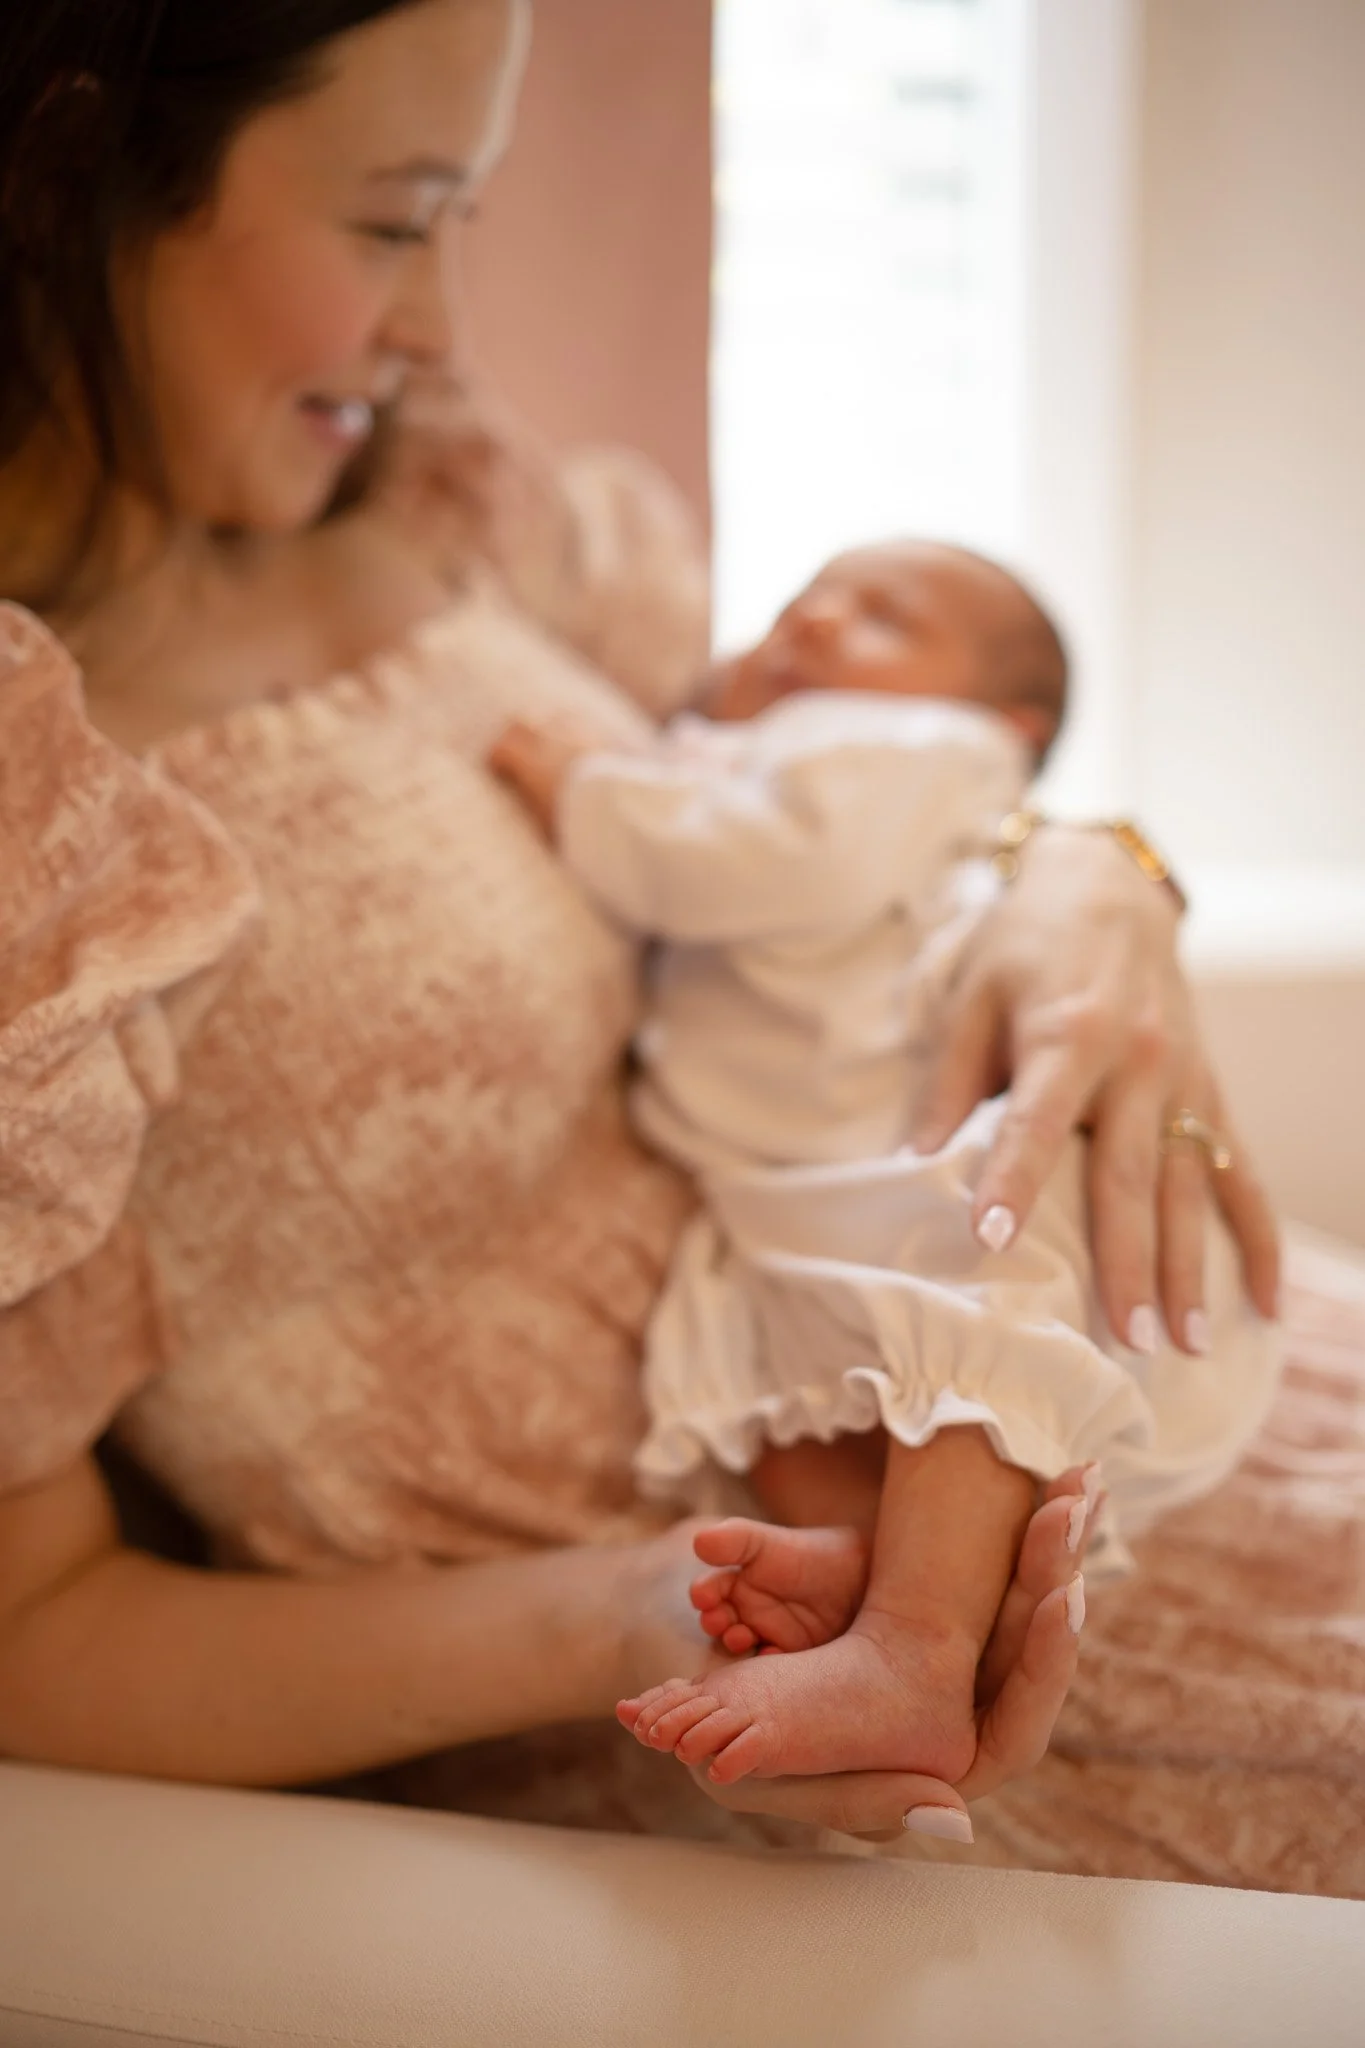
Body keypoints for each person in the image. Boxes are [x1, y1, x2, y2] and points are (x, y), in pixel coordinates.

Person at [0, 0, 1281, 1855]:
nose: (441, 325)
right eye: (392, 219)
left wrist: (1097, 873)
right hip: (806, 1671)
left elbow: (814, 798)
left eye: (467, 219)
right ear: (68, 167)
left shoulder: (446, 508)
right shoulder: (34, 802)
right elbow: (31, 1635)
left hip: (1083, 1413)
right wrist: (650, 1612)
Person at [491, 539, 1279, 1787]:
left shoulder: (908, 748)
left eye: (882, 617)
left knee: (969, 1290)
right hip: (798, 1176)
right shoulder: (772, 742)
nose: (814, 620)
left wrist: (588, 785)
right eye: (802, 598)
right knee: (781, 1369)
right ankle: (881, 1580)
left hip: (939, 1134)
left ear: (1008, 727)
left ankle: (915, 1649)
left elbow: (764, 858)